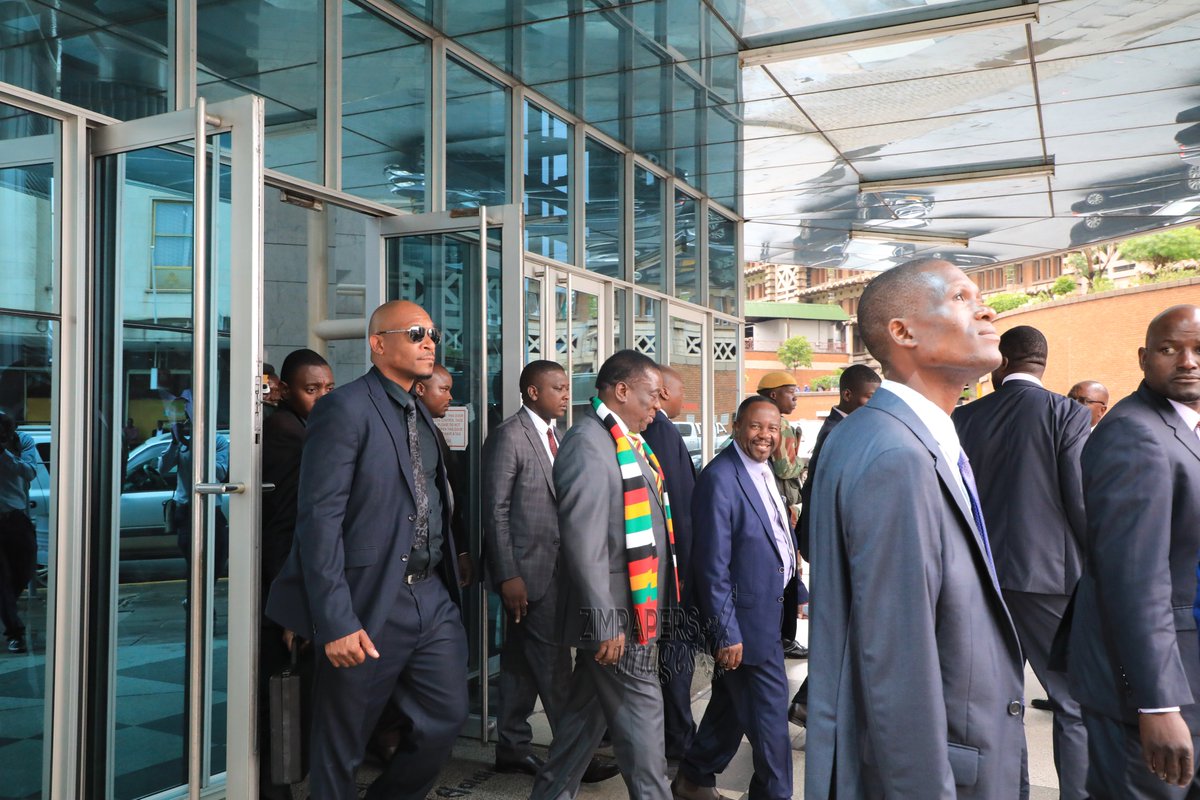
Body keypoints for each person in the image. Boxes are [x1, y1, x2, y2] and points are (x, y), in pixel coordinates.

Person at [805, 258, 1025, 798]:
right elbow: (898, 659)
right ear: (902, 332)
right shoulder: (896, 454)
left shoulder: (887, 434)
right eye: (960, 297)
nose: (986, 307)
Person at [265, 300, 468, 800]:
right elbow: (319, 521)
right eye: (416, 332)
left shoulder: (419, 408)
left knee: (446, 718)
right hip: (366, 599)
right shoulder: (344, 408)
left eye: (433, 333)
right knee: (341, 743)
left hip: (431, 594)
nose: (429, 342)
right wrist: (334, 620)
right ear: (378, 343)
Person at [529, 350, 678, 800]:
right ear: (621, 390)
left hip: (635, 610)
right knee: (644, 732)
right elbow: (584, 541)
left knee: (581, 722)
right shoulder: (589, 443)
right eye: (652, 396)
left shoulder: (628, 441)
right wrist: (605, 619)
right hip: (617, 618)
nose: (658, 405)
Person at [1066, 304, 1200, 797]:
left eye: (1198, 350)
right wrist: (1158, 704)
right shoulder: (1134, 434)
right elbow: (1134, 581)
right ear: (1144, 358)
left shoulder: (1183, 425)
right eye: (1170, 350)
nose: (1188, 361)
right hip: (1150, 689)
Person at [953, 325, 1091, 799]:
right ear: (1041, 364)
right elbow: (1078, 496)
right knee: (1071, 702)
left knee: (998, 699)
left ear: (1002, 364)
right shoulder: (1066, 413)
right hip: (1049, 577)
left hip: (980, 576)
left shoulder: (964, 418)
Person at [481, 360, 618, 782]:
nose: (565, 394)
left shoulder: (557, 436)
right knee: (556, 667)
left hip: (558, 573)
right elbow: (496, 510)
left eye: (565, 387)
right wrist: (508, 575)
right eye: (557, 387)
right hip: (529, 574)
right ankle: (574, 755)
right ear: (532, 392)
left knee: (521, 663)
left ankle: (512, 746)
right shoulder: (509, 436)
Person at [672, 395, 795, 800]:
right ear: (736, 426)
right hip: (743, 625)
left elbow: (774, 539)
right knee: (771, 720)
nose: (765, 435)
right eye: (757, 427)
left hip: (767, 612)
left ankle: (693, 777)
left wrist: (798, 587)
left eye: (773, 428)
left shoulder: (764, 471)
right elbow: (711, 565)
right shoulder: (720, 478)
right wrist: (726, 634)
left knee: (729, 706)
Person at [258, 348, 335, 799]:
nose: (323, 398)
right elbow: (285, 527)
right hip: (283, 589)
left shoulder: (303, 427)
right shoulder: (289, 433)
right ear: (285, 390)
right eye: (312, 390)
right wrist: (291, 604)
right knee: (283, 698)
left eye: (328, 388)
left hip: (287, 586)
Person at [788, 363, 880, 727]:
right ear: (847, 395)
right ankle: (809, 703)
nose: (872, 406)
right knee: (840, 632)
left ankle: (812, 704)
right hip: (831, 546)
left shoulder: (844, 428)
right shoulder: (838, 432)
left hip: (830, 545)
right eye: (868, 398)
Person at [641, 364, 698, 765]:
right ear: (662, 394)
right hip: (671, 571)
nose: (683, 399)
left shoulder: (658, 431)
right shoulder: (659, 432)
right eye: (680, 392)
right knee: (675, 656)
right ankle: (677, 736)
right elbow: (677, 504)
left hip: (669, 568)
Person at [756, 371, 808, 659]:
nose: (796, 397)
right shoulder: (780, 424)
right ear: (774, 394)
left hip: (780, 503)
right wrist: (806, 460)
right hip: (785, 504)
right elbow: (786, 469)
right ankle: (786, 638)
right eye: (791, 392)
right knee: (789, 569)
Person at [160, 398, 230, 578]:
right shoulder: (180, 441)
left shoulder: (218, 441)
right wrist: (176, 442)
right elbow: (163, 468)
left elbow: (221, 472)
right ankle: (193, 600)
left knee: (219, 554)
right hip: (185, 508)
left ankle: (201, 599)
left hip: (212, 507)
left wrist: (200, 449)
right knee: (193, 559)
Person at [0, 412, 37, 654]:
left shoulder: (22, 442)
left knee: (25, 572)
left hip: (17, 519)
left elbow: (30, 472)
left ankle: (7, 607)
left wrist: (3, 454)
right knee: (2, 580)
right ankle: (15, 632)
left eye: (6, 428)